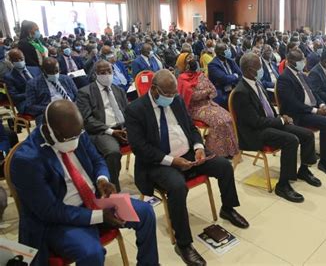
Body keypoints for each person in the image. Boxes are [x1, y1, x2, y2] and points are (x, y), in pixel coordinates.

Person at [10, 100, 159, 266]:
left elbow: (97, 160)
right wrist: (98, 216)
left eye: (77, 135)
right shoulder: (26, 160)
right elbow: (49, 211)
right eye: (68, 138)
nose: (74, 142)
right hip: (61, 218)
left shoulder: (76, 132)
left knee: (145, 212)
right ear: (47, 130)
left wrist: (102, 179)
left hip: (94, 200)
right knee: (92, 253)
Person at [125, 70, 248, 266]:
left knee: (223, 166)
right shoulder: (136, 110)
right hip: (158, 161)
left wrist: (198, 147)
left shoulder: (176, 100)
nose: (172, 97)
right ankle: (183, 244)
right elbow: (140, 149)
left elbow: (191, 128)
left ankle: (228, 208)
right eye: (168, 94)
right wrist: (172, 161)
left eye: (174, 93)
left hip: (188, 154)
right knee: (177, 186)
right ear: (155, 90)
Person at [233, 53, 320, 202]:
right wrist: (280, 121)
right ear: (249, 69)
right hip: (255, 133)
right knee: (291, 140)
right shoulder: (241, 92)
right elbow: (255, 122)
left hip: (268, 124)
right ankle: (283, 185)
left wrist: (280, 118)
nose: (261, 69)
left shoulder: (256, 83)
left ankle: (304, 170)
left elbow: (267, 109)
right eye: (258, 67)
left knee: (306, 134)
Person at [277, 50, 326, 178]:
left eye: (303, 59)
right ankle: (324, 162)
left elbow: (313, 93)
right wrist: (315, 111)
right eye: (300, 60)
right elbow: (293, 104)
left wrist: (322, 105)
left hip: (310, 108)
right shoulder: (284, 78)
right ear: (290, 62)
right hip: (297, 114)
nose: (303, 62)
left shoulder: (301, 74)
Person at [77, 60, 129, 191]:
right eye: (102, 72)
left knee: (147, 139)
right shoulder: (85, 92)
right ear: (95, 74)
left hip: (123, 127)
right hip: (103, 130)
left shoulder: (118, 89)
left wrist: (131, 126)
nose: (106, 75)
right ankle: (114, 190)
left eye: (109, 71)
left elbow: (128, 111)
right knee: (112, 152)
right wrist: (111, 131)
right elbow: (87, 120)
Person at [177, 57, 239, 158]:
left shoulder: (200, 75)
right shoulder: (182, 78)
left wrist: (205, 93)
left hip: (210, 104)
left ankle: (229, 150)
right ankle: (215, 152)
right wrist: (206, 92)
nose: (192, 62)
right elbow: (192, 96)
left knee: (228, 118)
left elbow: (213, 90)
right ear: (184, 64)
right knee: (219, 122)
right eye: (188, 61)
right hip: (195, 108)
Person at [4, 48, 41, 114]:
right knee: (45, 109)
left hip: (41, 98)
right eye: (16, 60)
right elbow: (14, 97)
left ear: (24, 57)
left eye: (21, 59)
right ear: (11, 61)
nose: (19, 61)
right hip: (25, 103)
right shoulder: (9, 77)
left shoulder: (35, 69)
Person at [208, 42, 242, 109]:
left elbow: (240, 74)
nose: (229, 51)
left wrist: (234, 77)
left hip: (235, 89)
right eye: (226, 50)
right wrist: (235, 76)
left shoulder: (230, 61)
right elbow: (224, 79)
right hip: (223, 93)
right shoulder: (212, 65)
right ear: (220, 53)